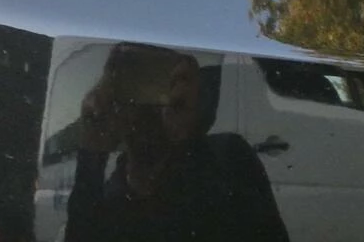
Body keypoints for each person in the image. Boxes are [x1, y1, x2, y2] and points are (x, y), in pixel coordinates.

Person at [66, 44, 290, 242]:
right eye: (136, 83)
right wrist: (92, 149)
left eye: (163, 81)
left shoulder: (229, 159)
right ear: (114, 101)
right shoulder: (107, 198)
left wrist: (185, 138)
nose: (150, 99)